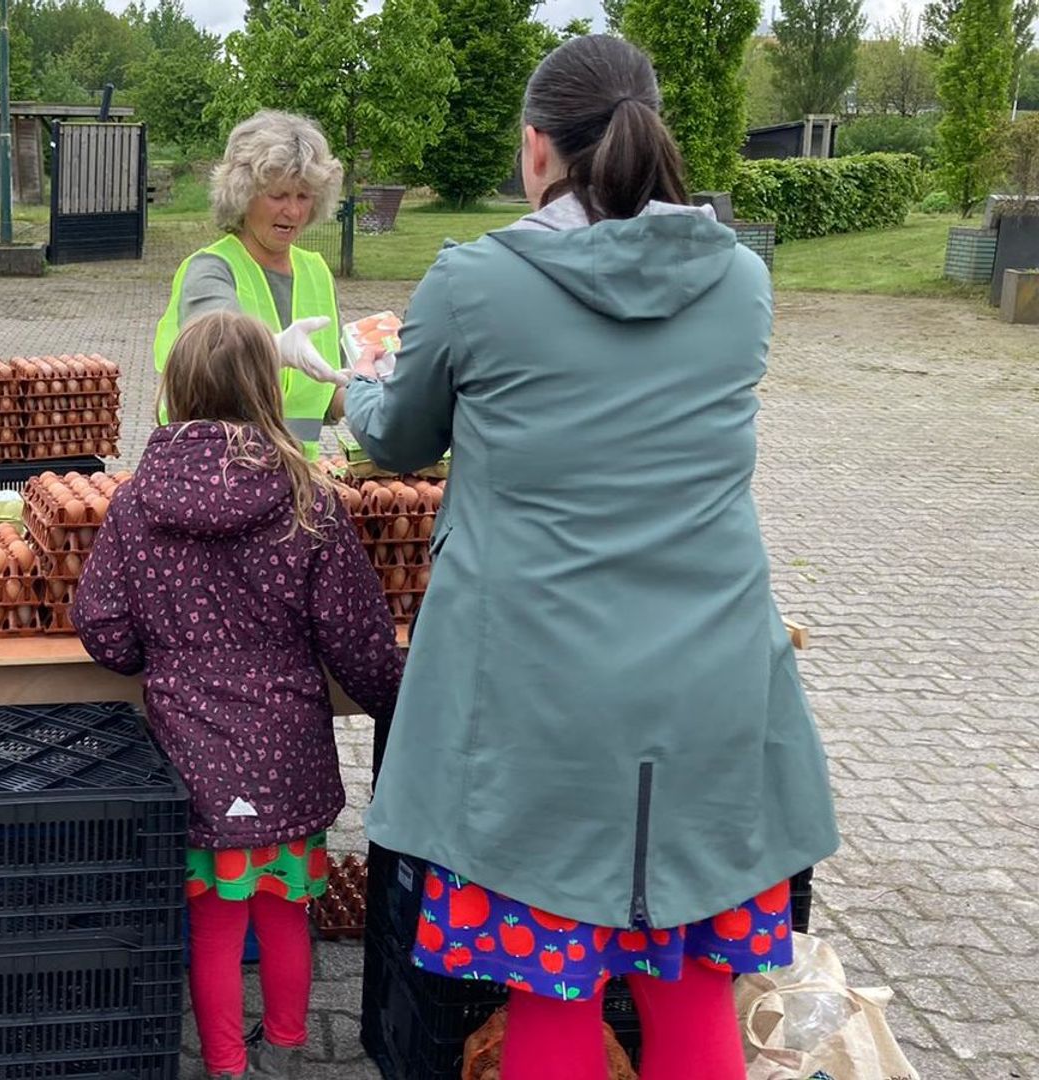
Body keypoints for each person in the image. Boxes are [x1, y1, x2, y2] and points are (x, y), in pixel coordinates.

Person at [338, 36, 838, 1080]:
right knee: (696, 997)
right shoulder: (742, 283)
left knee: (553, 1004)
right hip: (713, 695)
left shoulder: (476, 282)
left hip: (539, 709)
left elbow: (395, 441)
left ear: (535, 149)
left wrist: (357, 369)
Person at [72, 311, 403, 1080]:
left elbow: (101, 623)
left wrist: (149, 655)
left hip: (190, 751)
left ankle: (225, 1064)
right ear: (265, 386)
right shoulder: (306, 498)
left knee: (213, 922)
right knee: (287, 914)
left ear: (176, 387)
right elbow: (355, 632)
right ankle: (287, 1051)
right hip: (287, 747)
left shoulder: (134, 502)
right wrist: (393, 700)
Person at [151, 110, 349, 460]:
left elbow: (326, 401)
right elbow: (215, 362)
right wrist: (273, 351)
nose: (293, 211)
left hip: (294, 481)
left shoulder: (317, 273)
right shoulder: (210, 270)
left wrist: (374, 391)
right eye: (278, 195)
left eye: (303, 197)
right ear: (243, 195)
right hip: (214, 475)